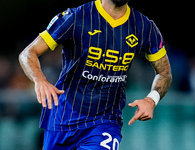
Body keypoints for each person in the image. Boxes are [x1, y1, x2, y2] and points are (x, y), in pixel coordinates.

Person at [19, 0, 172, 149]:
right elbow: (28, 53)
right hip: (63, 117)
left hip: (106, 121)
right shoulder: (75, 17)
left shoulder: (145, 27)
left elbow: (165, 73)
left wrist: (151, 100)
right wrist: (40, 80)